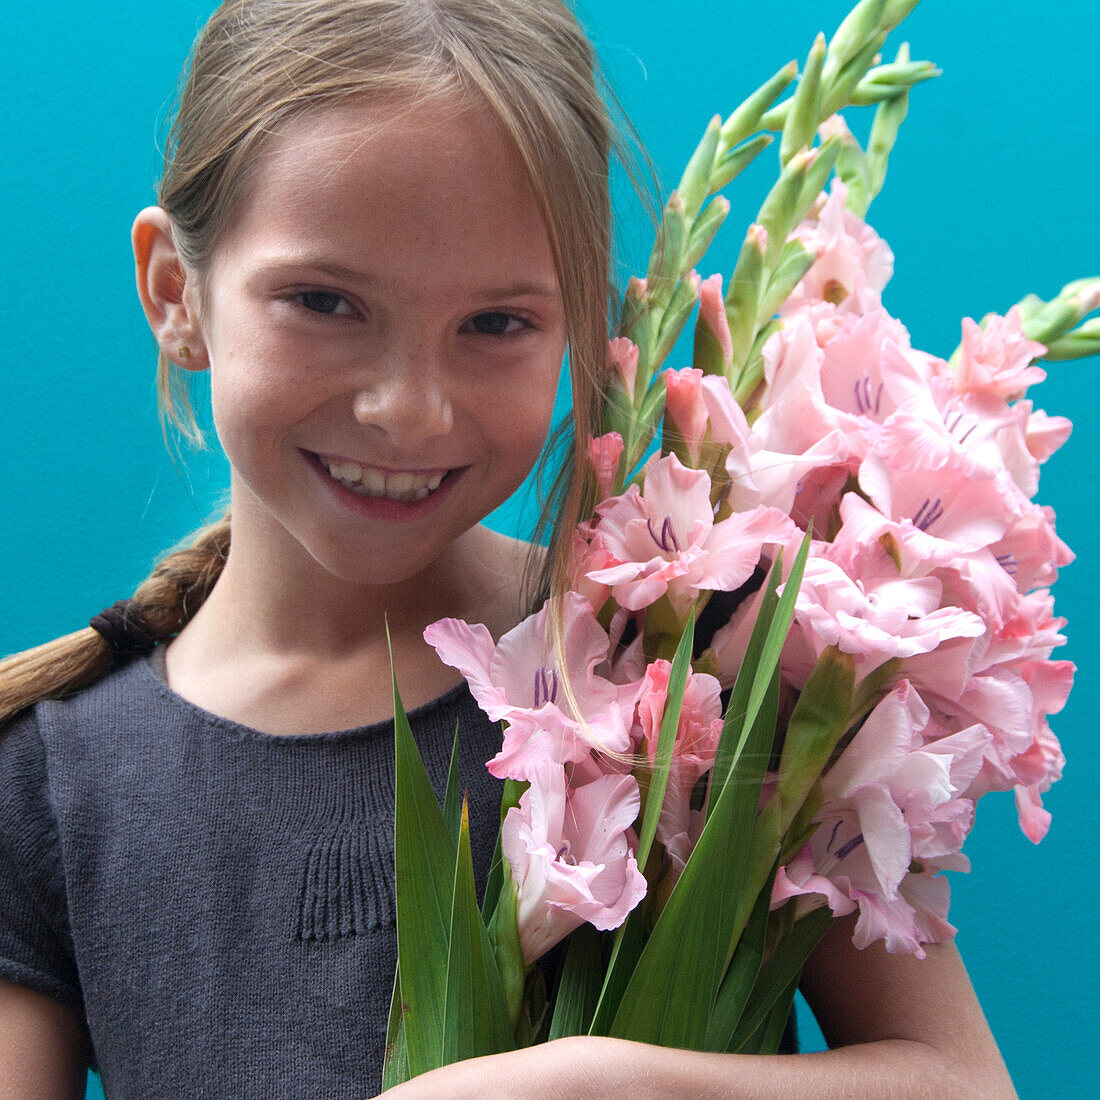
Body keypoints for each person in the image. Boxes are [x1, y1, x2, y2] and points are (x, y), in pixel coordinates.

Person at [0, 1, 1016, 1096]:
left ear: (578, 321)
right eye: (323, 300)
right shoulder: (49, 784)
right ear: (174, 293)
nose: (408, 408)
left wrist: (600, 1083)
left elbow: (959, 1079)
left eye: (495, 323)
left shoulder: (691, 659)